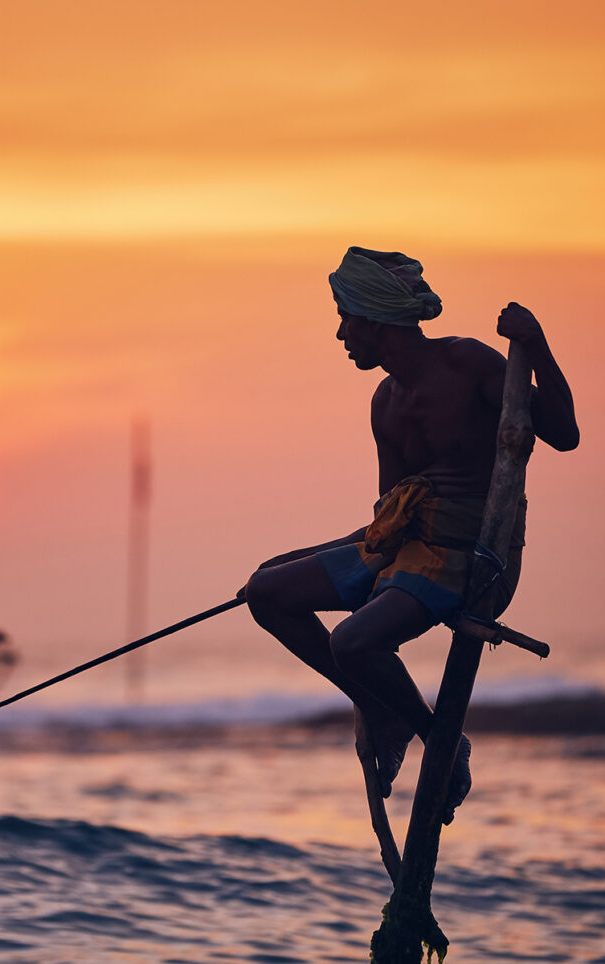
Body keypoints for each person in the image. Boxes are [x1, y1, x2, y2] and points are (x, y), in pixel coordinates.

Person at [242, 247, 579, 823]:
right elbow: (389, 509)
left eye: (347, 318)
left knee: (352, 643)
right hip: (405, 547)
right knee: (265, 590)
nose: (342, 333)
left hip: (468, 557)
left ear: (376, 320)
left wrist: (537, 342)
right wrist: (338, 550)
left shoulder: (469, 364)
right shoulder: (384, 403)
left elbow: (563, 433)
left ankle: (436, 739)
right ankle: (378, 704)